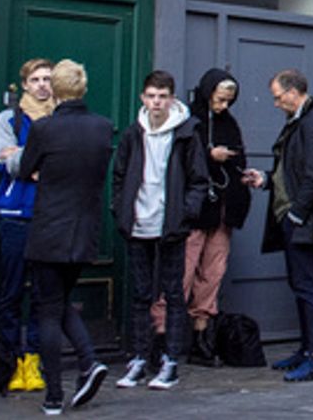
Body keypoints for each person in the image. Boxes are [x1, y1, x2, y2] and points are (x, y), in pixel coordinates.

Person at [21, 59, 113, 415]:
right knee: (60, 302)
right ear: (83, 88)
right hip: (84, 230)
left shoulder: (45, 129)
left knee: (46, 309)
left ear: (56, 90)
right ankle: (90, 362)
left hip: (49, 230)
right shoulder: (103, 128)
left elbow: (27, 168)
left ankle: (53, 396)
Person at [112, 70, 209, 391]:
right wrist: (121, 210)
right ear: (143, 98)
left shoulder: (186, 133)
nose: (156, 103)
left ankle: (170, 360)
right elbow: (120, 175)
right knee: (140, 294)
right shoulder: (132, 134)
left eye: (162, 97)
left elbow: (198, 179)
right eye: (151, 96)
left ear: (172, 98)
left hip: (170, 225)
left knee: (173, 294)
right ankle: (140, 357)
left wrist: (185, 214)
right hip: (138, 223)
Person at [242, 70, 313, 382]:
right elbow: (289, 171)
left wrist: (296, 214)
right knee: (299, 284)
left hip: (299, 220)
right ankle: (306, 351)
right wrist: (265, 179)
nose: (277, 103)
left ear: (295, 92)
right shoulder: (298, 122)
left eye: (279, 97)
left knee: (306, 286)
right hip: (292, 216)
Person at [153, 68, 246, 369]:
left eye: (228, 101)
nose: (223, 107)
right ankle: (161, 337)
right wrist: (210, 156)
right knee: (182, 272)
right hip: (195, 212)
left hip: (222, 209)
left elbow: (239, 158)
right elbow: (181, 164)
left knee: (212, 273)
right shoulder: (189, 123)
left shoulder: (229, 123)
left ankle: (201, 336)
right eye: (219, 100)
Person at [0, 58, 54, 393]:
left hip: (49, 217)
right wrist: (34, 162)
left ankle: (33, 358)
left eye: (47, 79)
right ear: (25, 84)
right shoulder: (9, 119)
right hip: (15, 216)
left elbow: (62, 166)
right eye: (36, 79)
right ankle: (12, 360)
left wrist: (24, 157)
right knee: (11, 291)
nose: (43, 84)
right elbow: (5, 164)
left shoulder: (60, 120)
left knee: (43, 295)